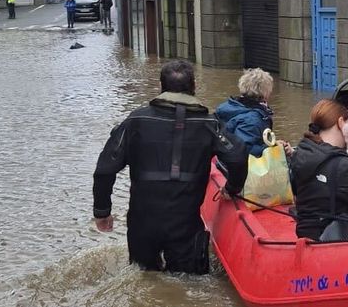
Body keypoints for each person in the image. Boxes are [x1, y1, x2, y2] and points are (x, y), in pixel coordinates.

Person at [92, 59, 248, 273]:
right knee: (190, 285)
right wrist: (231, 188)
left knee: (142, 280)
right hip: (185, 223)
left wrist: (102, 212)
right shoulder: (208, 124)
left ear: (161, 87)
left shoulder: (135, 121)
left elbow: (104, 169)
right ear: (193, 87)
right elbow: (238, 157)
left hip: (142, 222)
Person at [289, 98, 348, 242]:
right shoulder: (346, 167)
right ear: (341, 123)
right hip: (337, 244)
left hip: (308, 235)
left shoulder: (300, 153)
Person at [215, 69, 277, 160]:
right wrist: (272, 148)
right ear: (265, 92)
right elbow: (245, 149)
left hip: (223, 159)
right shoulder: (252, 119)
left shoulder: (228, 106)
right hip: (241, 167)